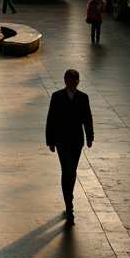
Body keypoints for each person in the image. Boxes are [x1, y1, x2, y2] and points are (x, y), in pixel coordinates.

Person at [45, 68, 94, 227]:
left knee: (71, 171)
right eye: (70, 79)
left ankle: (69, 199)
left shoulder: (83, 98)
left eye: (75, 79)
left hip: (76, 141)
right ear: (65, 81)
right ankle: (69, 206)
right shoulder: (57, 97)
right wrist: (50, 140)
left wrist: (90, 136)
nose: (72, 82)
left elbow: (87, 118)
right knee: (67, 170)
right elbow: (51, 119)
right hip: (62, 141)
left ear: (78, 81)